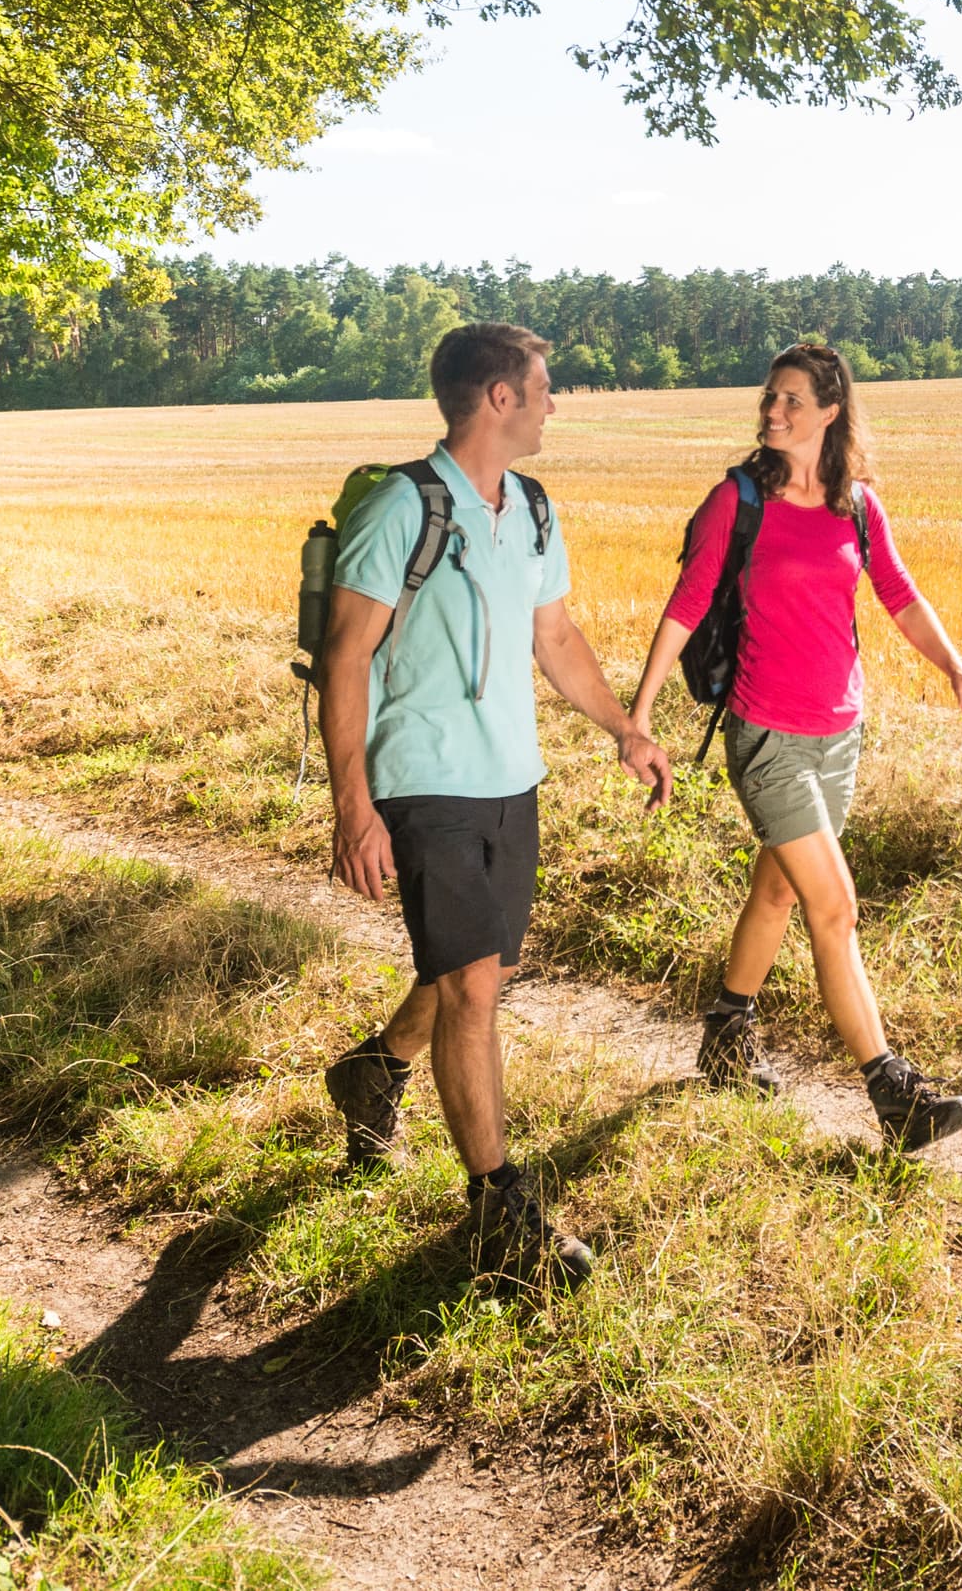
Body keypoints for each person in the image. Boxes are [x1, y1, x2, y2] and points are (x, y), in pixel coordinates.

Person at [317, 322, 669, 1287]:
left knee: (477, 971)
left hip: (514, 778)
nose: (555, 403)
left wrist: (623, 728)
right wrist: (354, 805)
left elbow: (555, 636)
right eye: (544, 387)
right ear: (499, 398)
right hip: (422, 778)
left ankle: (374, 1071)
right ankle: (500, 1211)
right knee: (472, 985)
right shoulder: (401, 506)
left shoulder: (535, 508)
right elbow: (345, 657)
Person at [627, 342, 962, 1152]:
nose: (773, 410)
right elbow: (686, 604)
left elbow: (899, 594)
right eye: (770, 396)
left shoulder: (857, 505)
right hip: (768, 736)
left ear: (830, 410)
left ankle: (725, 1033)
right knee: (836, 906)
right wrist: (638, 716)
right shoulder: (738, 499)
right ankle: (894, 1092)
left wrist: (955, 666)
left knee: (781, 891)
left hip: (839, 735)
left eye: (792, 399)